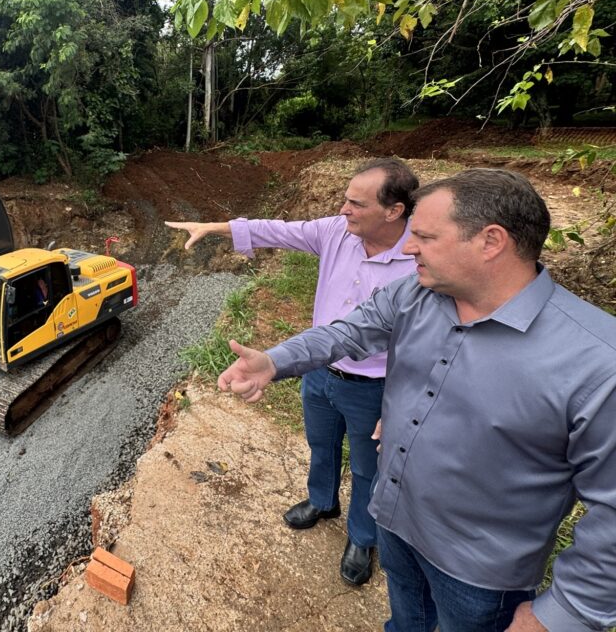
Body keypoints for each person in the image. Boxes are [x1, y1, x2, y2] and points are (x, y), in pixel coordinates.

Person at [217, 168, 616, 631]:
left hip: (477, 572)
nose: (408, 248)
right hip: (394, 518)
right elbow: (349, 330)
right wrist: (274, 361)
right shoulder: (416, 294)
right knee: (405, 618)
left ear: (491, 241)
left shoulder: (597, 363)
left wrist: (564, 613)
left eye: (424, 236)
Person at [166, 157, 420, 587]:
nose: (343, 209)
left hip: (376, 387)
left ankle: (362, 536)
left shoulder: (421, 259)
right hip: (319, 372)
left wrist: (400, 402)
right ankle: (322, 502)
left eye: (355, 203)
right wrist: (216, 228)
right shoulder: (337, 232)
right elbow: (279, 230)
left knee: (366, 467)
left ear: (393, 211)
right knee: (320, 445)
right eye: (344, 200)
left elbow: (424, 345)